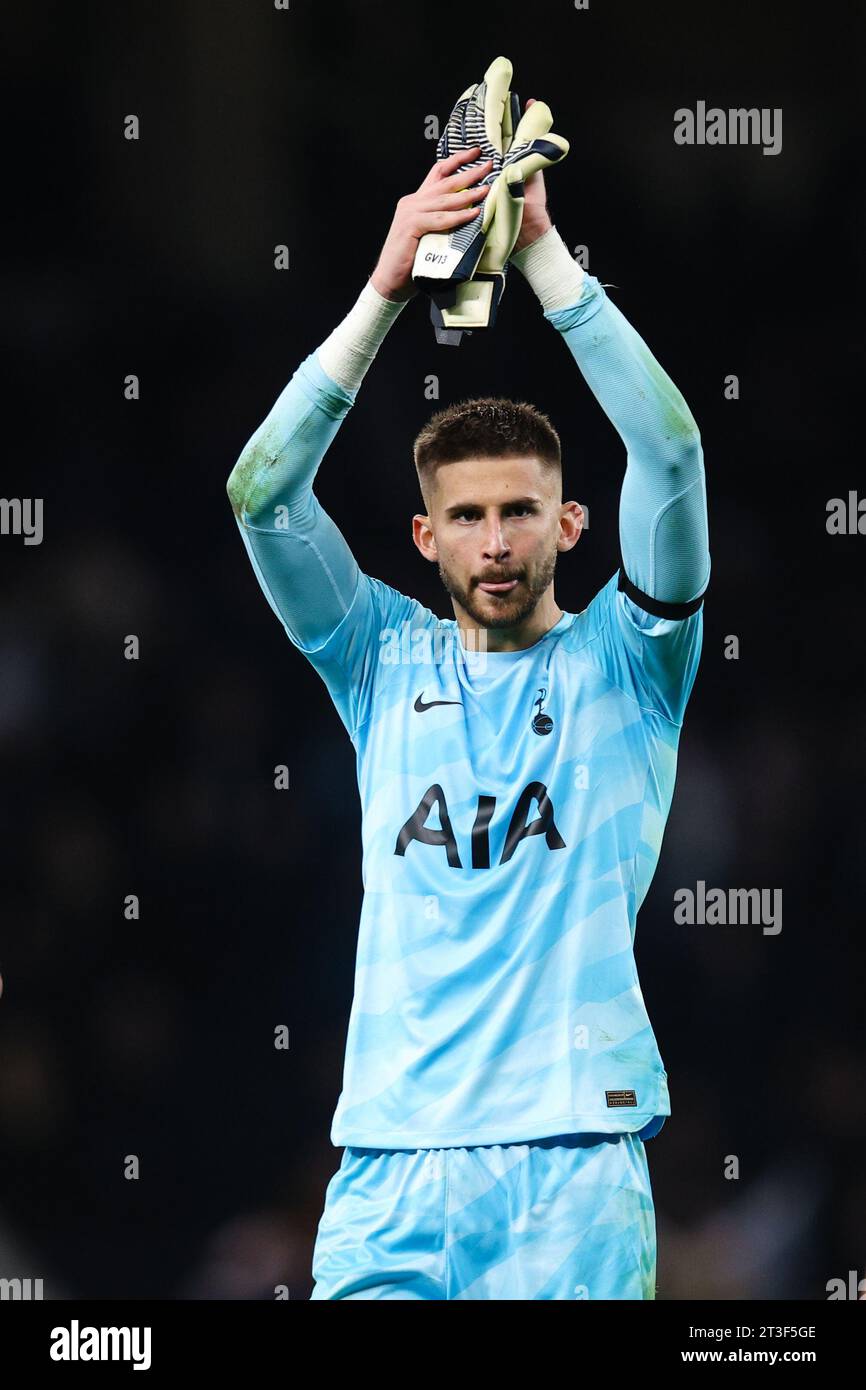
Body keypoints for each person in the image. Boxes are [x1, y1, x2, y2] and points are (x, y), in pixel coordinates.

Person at [226, 126, 710, 1301]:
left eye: (520, 512)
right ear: (423, 536)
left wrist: (545, 257)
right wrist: (388, 283)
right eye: (468, 515)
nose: (495, 540)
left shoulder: (630, 659)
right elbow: (259, 494)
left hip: (570, 1169)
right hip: (388, 1164)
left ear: (569, 526)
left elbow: (674, 451)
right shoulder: (377, 657)